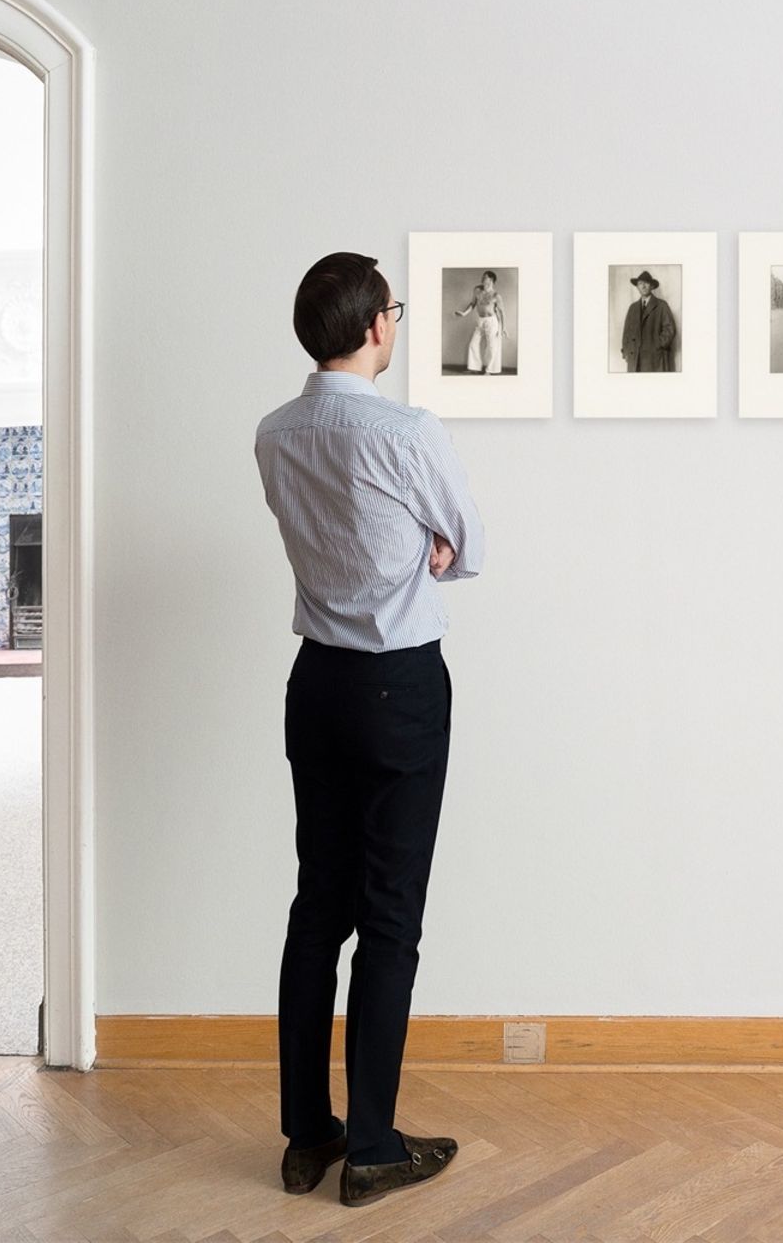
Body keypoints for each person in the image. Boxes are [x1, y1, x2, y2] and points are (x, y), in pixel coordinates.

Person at [254, 251, 485, 1208]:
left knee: (319, 910)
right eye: (393, 308)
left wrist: (414, 544)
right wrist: (430, 547)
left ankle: (309, 1136)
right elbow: (468, 543)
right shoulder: (408, 430)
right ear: (375, 327)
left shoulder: (274, 433)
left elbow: (327, 535)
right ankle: (376, 1147)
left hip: (316, 686)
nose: (396, 320)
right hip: (397, 687)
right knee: (390, 917)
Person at [619, 268, 677, 372]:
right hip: (635, 360)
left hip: (654, 360)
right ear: (637, 287)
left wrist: (656, 345)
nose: (643, 286)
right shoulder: (632, 308)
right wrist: (626, 352)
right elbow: (626, 333)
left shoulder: (662, 305)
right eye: (640, 283)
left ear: (652, 286)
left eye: (646, 283)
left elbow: (670, 330)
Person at [452, 269, 505, 374]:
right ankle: (474, 368)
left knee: (492, 346)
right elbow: (472, 304)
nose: (482, 279)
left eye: (485, 277)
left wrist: (503, 328)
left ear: (491, 280)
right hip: (480, 320)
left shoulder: (496, 296)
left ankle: (489, 370)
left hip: (492, 322)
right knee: (473, 344)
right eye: (483, 277)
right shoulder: (477, 290)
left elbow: (502, 312)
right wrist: (464, 313)